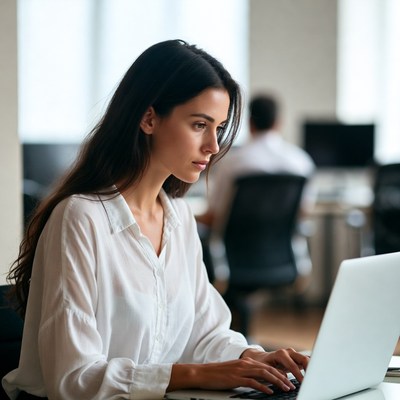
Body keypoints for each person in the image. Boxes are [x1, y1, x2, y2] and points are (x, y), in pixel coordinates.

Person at [2, 40, 308, 400]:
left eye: (219, 128)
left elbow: (206, 333)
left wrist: (253, 358)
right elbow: (73, 378)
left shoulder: (179, 216)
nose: (213, 145)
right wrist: (198, 374)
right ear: (148, 118)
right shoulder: (81, 218)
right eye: (199, 125)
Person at [197, 94, 316, 231]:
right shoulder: (302, 161)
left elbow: (213, 216)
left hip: (236, 249)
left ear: (250, 123)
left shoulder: (231, 162)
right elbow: (303, 212)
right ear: (278, 123)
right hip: (282, 250)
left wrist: (189, 217)